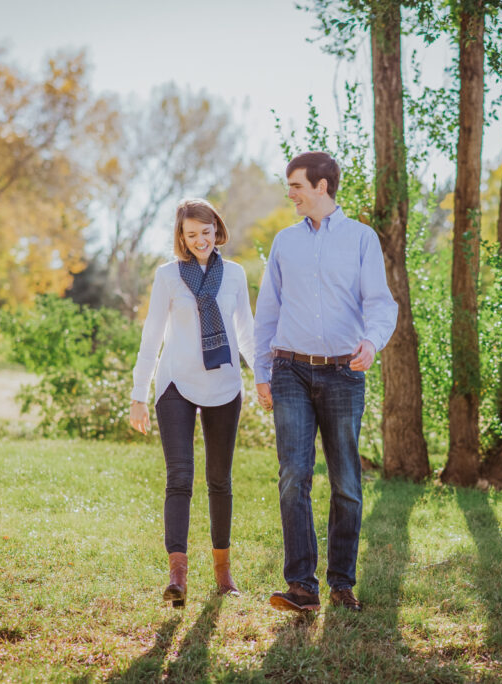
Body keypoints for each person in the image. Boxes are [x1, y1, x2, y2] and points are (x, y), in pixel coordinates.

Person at [254, 151, 397, 612]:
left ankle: (341, 584)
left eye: (296, 185)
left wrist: (371, 342)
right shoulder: (285, 242)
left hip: (343, 372)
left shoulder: (361, 239)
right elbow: (268, 311)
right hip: (290, 369)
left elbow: (380, 303)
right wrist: (261, 372)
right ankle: (301, 587)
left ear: (321, 186)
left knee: (346, 483)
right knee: (294, 475)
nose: (290, 194)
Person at [129, 198, 255, 608]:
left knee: (220, 480)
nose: (200, 240)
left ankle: (223, 574)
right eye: (191, 234)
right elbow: (152, 336)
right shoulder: (168, 276)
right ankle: (177, 577)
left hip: (224, 385)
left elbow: (247, 333)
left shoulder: (234, 275)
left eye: (206, 231)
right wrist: (138, 395)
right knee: (179, 478)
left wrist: (265, 377)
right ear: (181, 238)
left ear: (217, 229)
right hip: (175, 385)